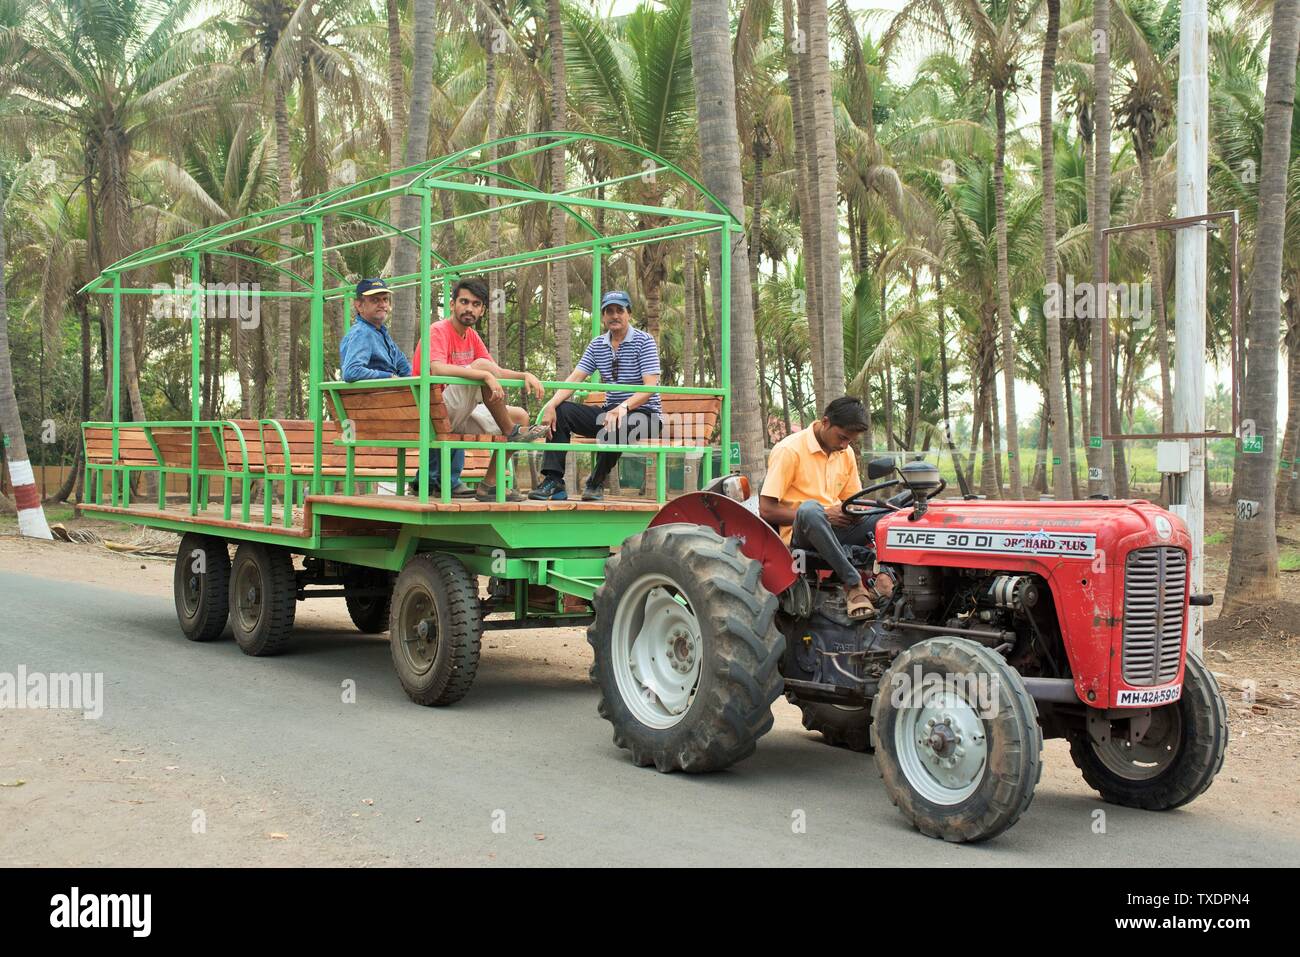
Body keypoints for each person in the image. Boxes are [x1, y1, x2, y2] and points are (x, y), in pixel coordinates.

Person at [411, 277, 548, 502]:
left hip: (455, 411)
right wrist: (483, 374)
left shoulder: (472, 336)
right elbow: (435, 369)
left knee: (521, 416)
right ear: (453, 304)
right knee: (485, 373)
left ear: (483, 310)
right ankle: (510, 433)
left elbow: (495, 371)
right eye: (464, 302)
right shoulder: (439, 330)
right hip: (432, 410)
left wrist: (524, 375)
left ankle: (489, 485)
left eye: (476, 304)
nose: (469, 308)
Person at [529, 290, 661, 501]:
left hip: (646, 416)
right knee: (562, 411)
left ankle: (595, 482)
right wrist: (551, 405)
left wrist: (622, 408)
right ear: (603, 316)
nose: (615, 315)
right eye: (609, 311)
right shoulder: (598, 345)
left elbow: (650, 388)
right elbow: (574, 379)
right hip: (610, 414)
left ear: (629, 314)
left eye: (620, 310)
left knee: (618, 424)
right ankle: (554, 481)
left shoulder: (644, 342)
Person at [758, 396, 879, 618]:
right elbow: (766, 510)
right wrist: (826, 514)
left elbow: (852, 499)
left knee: (893, 513)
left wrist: (856, 512)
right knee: (810, 510)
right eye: (842, 437)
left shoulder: (845, 452)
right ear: (825, 422)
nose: (844, 445)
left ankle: (888, 579)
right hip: (801, 534)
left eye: (850, 441)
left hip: (837, 528)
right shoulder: (789, 451)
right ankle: (853, 585)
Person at [339, 278, 410, 381]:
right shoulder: (362, 332)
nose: (383, 305)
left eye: (385, 299)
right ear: (359, 306)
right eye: (375, 300)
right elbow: (351, 371)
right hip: (377, 395)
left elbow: (405, 368)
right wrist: (388, 376)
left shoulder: (382, 333)